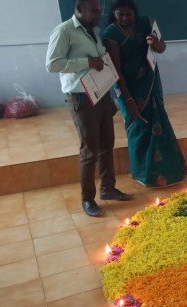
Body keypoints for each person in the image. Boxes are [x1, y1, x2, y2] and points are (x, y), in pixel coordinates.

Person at [47, 0, 132, 217]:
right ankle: (87, 199)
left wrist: (110, 93)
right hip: (80, 97)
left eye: (99, 10)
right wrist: (86, 62)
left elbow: (101, 61)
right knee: (89, 150)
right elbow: (52, 64)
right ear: (79, 9)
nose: (98, 14)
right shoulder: (64, 31)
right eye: (94, 11)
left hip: (100, 93)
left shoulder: (94, 30)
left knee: (107, 144)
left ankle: (108, 189)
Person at [101, 0, 187, 187]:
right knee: (137, 127)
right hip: (127, 87)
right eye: (120, 15)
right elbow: (116, 71)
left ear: (135, 13)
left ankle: (171, 171)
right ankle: (143, 174)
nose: (125, 18)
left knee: (160, 122)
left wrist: (156, 43)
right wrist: (128, 99)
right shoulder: (110, 34)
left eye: (129, 14)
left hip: (150, 82)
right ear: (114, 15)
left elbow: (162, 48)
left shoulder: (146, 23)